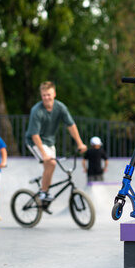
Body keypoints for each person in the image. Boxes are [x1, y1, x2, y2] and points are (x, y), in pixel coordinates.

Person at [25, 81, 88, 210]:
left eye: (48, 94)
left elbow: (71, 125)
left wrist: (80, 143)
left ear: (54, 94)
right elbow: (35, 135)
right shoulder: (36, 111)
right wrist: (44, 154)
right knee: (51, 163)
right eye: (43, 95)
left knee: (51, 166)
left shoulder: (60, 107)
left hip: (49, 142)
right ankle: (43, 192)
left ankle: (44, 188)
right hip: (34, 142)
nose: (46, 98)